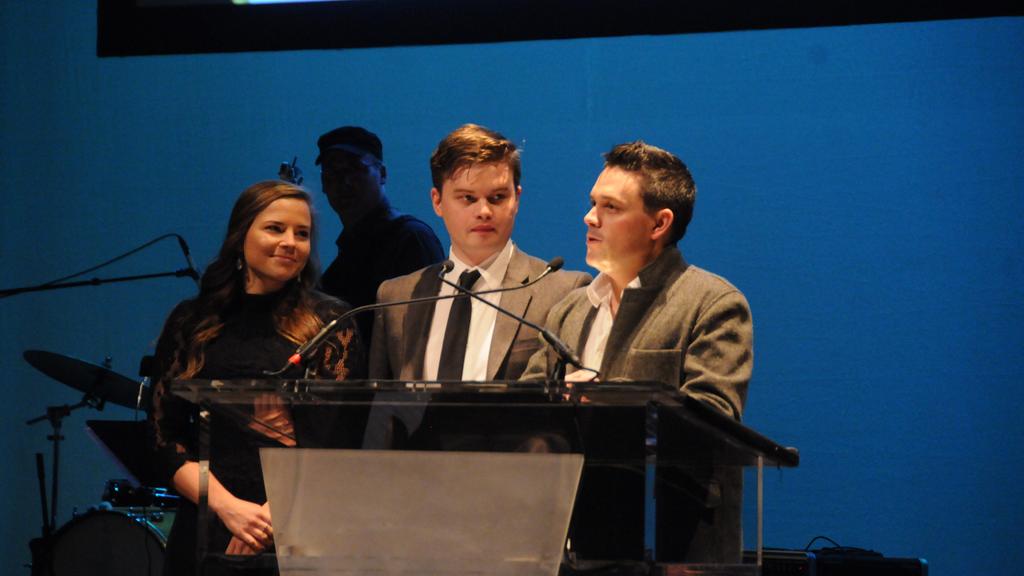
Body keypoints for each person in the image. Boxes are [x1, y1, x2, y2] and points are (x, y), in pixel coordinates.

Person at [521, 141, 753, 562]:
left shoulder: (713, 303)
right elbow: (523, 412)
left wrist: (602, 403)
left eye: (610, 207)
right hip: (573, 543)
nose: (590, 217)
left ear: (659, 223)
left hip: (673, 545)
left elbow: (713, 421)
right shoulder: (568, 311)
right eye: (593, 203)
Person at [149, 180, 366, 575]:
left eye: (302, 234)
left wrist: (267, 520)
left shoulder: (330, 322)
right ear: (241, 235)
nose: (290, 243)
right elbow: (164, 436)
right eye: (275, 228)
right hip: (207, 523)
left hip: (297, 526)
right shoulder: (192, 320)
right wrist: (229, 508)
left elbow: (335, 442)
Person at [368, 123, 591, 383]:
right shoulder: (396, 298)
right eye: (468, 198)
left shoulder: (563, 292)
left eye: (497, 197)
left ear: (516, 199)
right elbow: (379, 403)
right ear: (437, 201)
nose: (484, 211)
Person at [316, 126, 445, 343]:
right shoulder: (345, 256)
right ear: (323, 184)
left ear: (382, 174)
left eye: (356, 168)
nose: (344, 181)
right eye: (333, 172)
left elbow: (429, 333)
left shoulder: (410, 238)